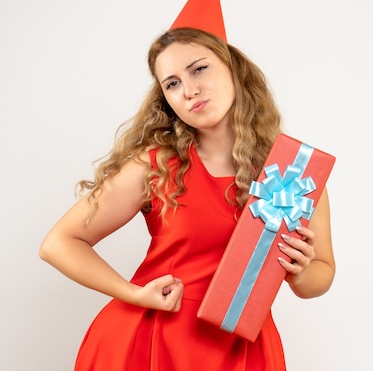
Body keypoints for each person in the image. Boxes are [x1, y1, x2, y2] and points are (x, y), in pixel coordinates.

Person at [39, 27, 335, 370]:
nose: (189, 90)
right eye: (172, 83)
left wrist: (298, 272)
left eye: (199, 69)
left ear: (233, 68)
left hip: (244, 349)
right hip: (151, 341)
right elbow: (59, 243)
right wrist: (132, 293)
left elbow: (320, 275)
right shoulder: (156, 165)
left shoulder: (294, 176)